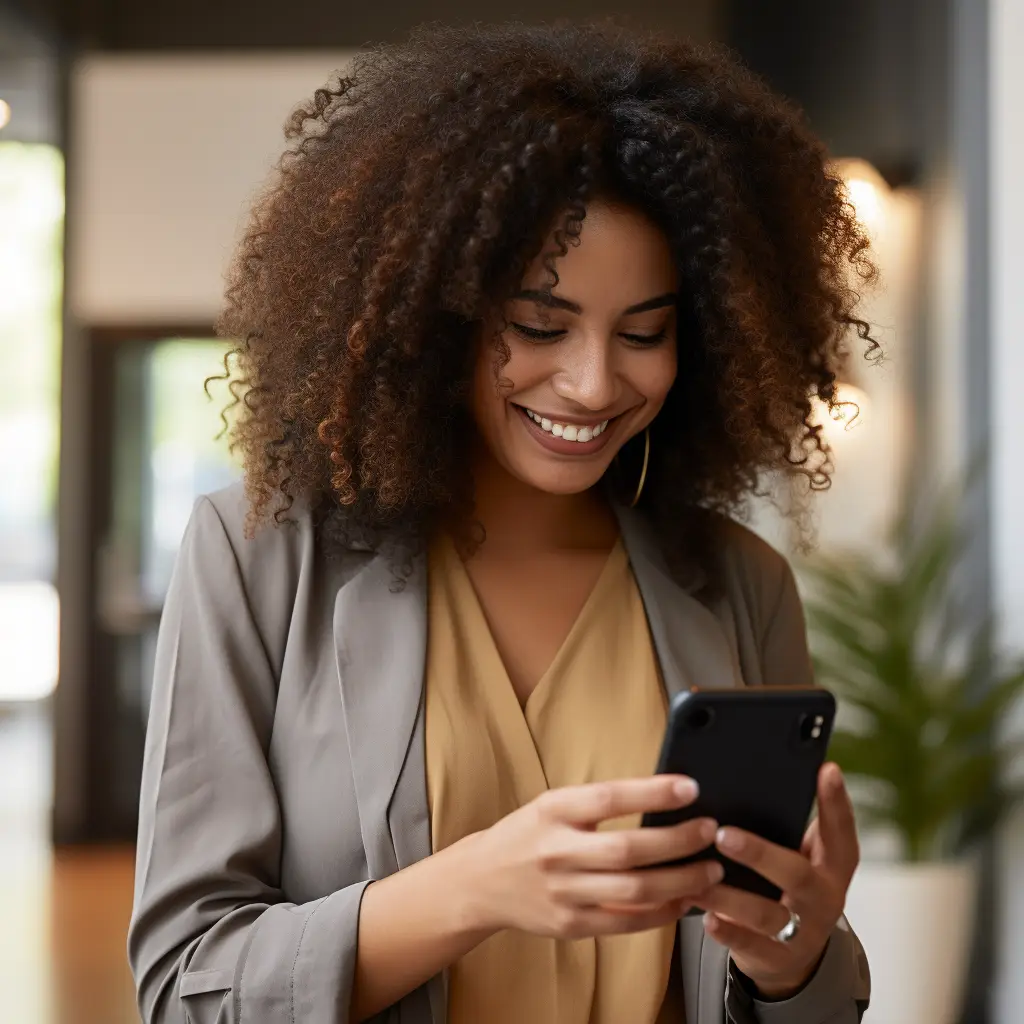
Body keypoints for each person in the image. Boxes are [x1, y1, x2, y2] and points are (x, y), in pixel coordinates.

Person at [127, 20, 875, 1024]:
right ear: (438, 309)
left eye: (644, 333)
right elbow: (185, 990)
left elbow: (793, 992)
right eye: (537, 325)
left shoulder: (740, 584)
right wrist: (472, 888)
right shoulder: (259, 558)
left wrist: (795, 951)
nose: (594, 380)